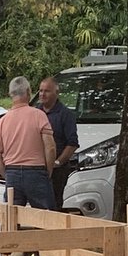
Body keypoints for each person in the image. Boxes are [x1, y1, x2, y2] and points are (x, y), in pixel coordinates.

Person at [0, 77, 56, 211]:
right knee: (46, 218)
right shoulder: (39, 116)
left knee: (12, 219)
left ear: (10, 94)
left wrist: (7, 175)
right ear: (28, 91)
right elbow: (50, 148)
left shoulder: (3, 121)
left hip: (12, 172)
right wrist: (47, 171)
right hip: (36, 172)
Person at [37, 76, 79, 211]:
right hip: (36, 168)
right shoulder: (35, 113)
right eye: (40, 90)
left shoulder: (65, 115)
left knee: (54, 205)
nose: (42, 94)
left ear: (56, 93)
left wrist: (58, 162)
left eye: (47, 91)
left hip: (57, 171)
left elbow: (72, 143)